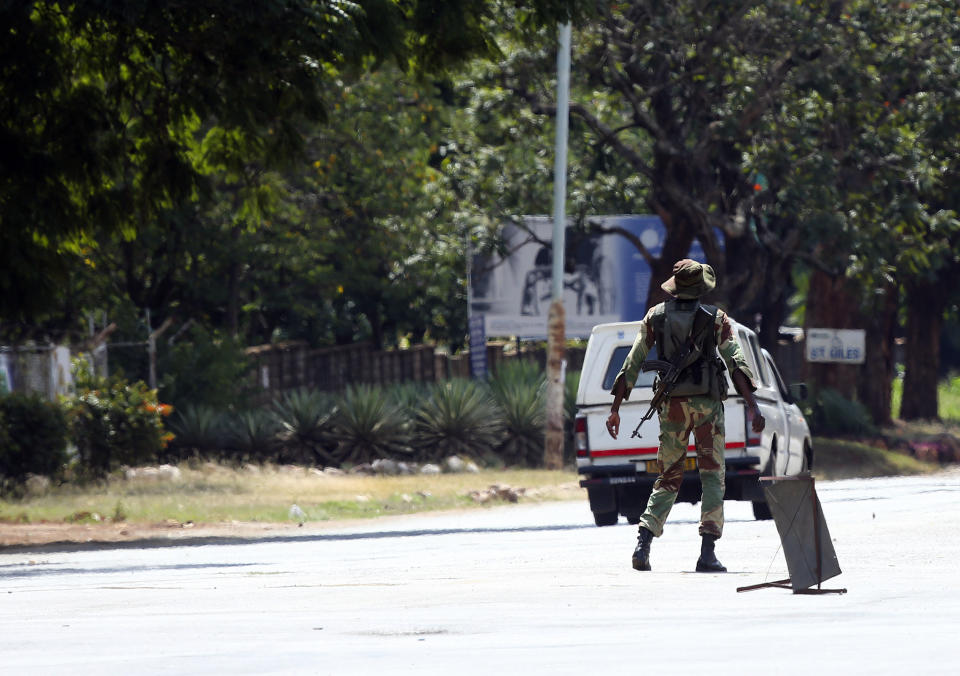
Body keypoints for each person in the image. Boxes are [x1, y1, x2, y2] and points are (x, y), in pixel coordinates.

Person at [605, 259, 765, 573]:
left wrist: (615, 409)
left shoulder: (655, 316)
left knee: (667, 477)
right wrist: (753, 405)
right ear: (701, 288)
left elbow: (633, 361)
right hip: (707, 406)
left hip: (672, 407)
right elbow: (736, 361)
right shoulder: (717, 319)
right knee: (712, 476)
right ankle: (707, 553)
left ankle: (644, 540)